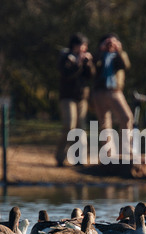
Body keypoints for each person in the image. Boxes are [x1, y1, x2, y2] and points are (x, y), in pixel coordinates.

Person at [92, 33, 134, 157]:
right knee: (105, 123)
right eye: (108, 42)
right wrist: (101, 50)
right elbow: (93, 67)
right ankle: (108, 153)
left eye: (113, 42)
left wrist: (119, 50)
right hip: (99, 91)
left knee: (127, 117)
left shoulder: (119, 55)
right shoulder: (97, 55)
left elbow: (125, 65)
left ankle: (125, 149)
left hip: (115, 91)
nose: (111, 44)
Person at [56, 33, 95, 167]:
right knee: (69, 125)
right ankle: (60, 156)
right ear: (75, 45)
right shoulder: (66, 56)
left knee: (80, 129)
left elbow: (90, 75)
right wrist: (78, 63)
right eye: (83, 45)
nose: (84, 48)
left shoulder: (84, 59)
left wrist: (88, 63)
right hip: (67, 97)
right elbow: (67, 75)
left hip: (81, 97)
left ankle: (79, 158)